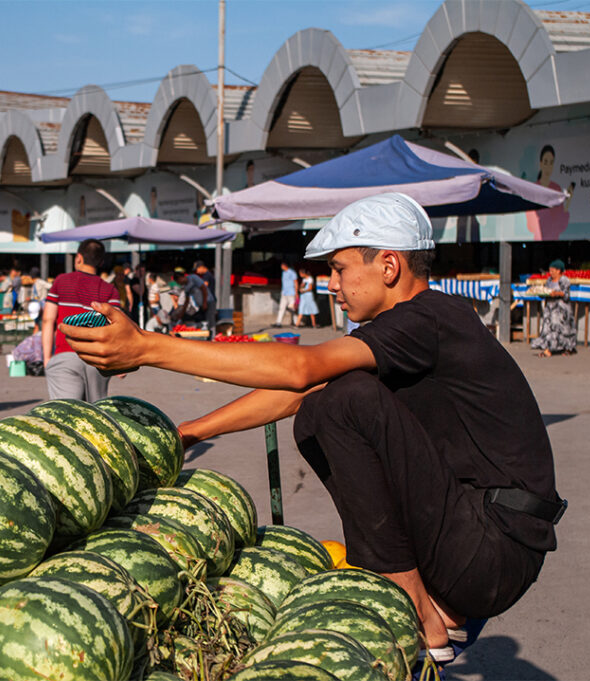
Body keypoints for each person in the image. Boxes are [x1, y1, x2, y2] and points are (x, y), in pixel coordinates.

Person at [60, 193, 563, 665]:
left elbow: (302, 370)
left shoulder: (428, 318)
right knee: (328, 400)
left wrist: (149, 347)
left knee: (340, 401)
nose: (331, 284)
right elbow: (296, 391)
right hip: (478, 535)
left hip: (492, 546)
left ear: (388, 266)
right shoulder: (413, 326)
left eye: (340, 269)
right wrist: (188, 432)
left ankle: (409, 601)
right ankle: (415, 596)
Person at [41, 239, 120, 401]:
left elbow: (47, 319)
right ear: (101, 261)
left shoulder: (61, 282)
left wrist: (47, 358)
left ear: (78, 258)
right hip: (97, 360)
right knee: (95, 415)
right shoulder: (109, 289)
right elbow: (117, 327)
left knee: (68, 415)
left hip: (65, 355)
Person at [530, 260, 577, 358]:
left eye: (552, 270)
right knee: (548, 329)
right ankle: (549, 348)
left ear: (559, 270)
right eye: (550, 271)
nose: (550, 273)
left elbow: (566, 295)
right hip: (550, 309)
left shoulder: (564, 280)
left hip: (561, 310)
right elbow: (546, 291)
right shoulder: (549, 281)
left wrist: (556, 293)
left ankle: (567, 348)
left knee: (563, 330)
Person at [172, 266, 216, 332]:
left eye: (179, 281)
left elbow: (203, 288)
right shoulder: (186, 287)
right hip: (201, 305)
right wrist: (182, 313)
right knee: (202, 322)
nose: (179, 283)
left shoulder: (193, 278)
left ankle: (212, 337)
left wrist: (204, 303)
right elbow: (187, 301)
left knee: (210, 321)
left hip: (208, 301)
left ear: (181, 278)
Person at [274, 260, 298, 327]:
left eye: (282, 265)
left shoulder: (292, 273)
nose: (281, 266)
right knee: (282, 308)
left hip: (291, 293)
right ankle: (278, 322)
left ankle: (296, 322)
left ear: (285, 265)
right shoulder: (283, 272)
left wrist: (296, 293)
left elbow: (296, 282)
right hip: (284, 293)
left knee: (292, 308)